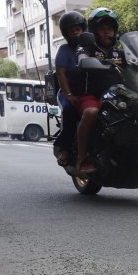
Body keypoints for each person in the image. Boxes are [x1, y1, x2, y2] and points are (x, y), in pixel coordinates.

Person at [75, 7, 126, 174]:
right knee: (91, 112)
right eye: (102, 29)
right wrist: (86, 60)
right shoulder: (87, 47)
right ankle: (82, 157)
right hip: (93, 94)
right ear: (94, 31)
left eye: (110, 29)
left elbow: (137, 63)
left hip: (118, 94)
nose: (107, 33)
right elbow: (82, 57)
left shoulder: (120, 52)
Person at [53, 10, 87, 166]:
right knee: (70, 110)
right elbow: (60, 74)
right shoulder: (64, 50)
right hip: (68, 92)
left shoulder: (91, 47)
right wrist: (69, 95)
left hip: (88, 91)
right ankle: (65, 149)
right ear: (66, 33)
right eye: (71, 29)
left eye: (77, 28)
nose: (75, 31)